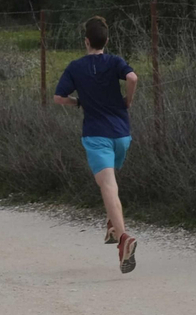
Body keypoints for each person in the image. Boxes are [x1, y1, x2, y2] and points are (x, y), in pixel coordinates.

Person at [53, 15, 140, 274]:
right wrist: (128, 101)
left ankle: (123, 239)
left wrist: (79, 102)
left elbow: (59, 97)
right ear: (107, 40)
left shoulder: (75, 67)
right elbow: (133, 78)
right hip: (122, 134)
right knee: (110, 183)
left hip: (96, 135)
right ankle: (113, 226)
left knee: (108, 185)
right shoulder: (115, 61)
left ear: (86, 41)